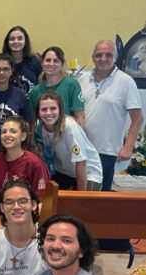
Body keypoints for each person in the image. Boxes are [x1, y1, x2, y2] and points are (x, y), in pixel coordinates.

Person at [78, 40, 144, 191]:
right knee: (78, 193)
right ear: (93, 57)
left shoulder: (125, 81)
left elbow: (138, 119)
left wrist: (128, 147)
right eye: (99, 55)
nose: (103, 59)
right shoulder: (82, 79)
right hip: (81, 148)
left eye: (108, 55)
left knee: (100, 195)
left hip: (106, 151)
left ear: (115, 57)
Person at [37, 91, 103, 191]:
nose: (48, 113)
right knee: (49, 196)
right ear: (38, 112)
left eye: (53, 108)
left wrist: (80, 196)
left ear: (60, 110)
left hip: (88, 173)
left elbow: (81, 162)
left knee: (80, 201)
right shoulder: (41, 128)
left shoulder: (69, 126)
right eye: (44, 109)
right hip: (64, 172)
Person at [0, 116, 49, 198]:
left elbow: (43, 197)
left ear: (23, 136)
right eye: (4, 132)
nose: (7, 135)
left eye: (13, 131)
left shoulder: (34, 163)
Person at [29, 47, 84, 127]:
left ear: (62, 64)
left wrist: (76, 134)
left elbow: (80, 117)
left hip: (65, 133)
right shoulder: (35, 91)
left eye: (55, 61)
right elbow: (33, 120)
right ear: (42, 63)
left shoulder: (72, 85)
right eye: (48, 60)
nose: (51, 64)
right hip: (42, 135)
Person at [2, 26, 42, 98]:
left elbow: (42, 86)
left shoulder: (34, 61)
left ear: (25, 41)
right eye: (12, 39)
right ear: (7, 42)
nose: (16, 41)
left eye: (20, 38)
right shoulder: (2, 62)